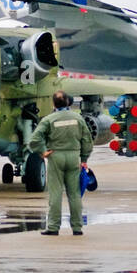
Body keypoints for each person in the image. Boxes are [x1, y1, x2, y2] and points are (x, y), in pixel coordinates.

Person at [30, 90, 94, 236]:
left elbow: (34, 139)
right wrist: (84, 159)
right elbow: (87, 140)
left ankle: (53, 227)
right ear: (68, 102)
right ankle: (77, 227)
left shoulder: (49, 119)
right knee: (75, 194)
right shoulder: (78, 118)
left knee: (55, 193)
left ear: (53, 103)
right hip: (73, 157)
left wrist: (42, 151)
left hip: (56, 156)